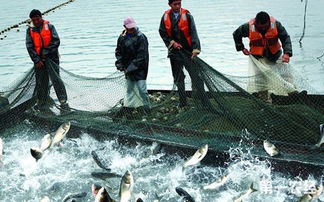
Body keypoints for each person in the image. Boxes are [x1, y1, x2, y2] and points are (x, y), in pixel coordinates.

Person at [159, 0, 210, 108]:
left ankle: (205, 102)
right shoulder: (165, 16)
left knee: (196, 77)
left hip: (188, 51)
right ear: (170, 5)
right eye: (175, 4)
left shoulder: (187, 15)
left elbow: (193, 33)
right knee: (178, 78)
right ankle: (183, 102)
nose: (177, 6)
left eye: (179, 4)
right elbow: (162, 32)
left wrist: (196, 50)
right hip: (174, 53)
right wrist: (172, 43)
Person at [233, 11, 296, 98]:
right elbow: (236, 34)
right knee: (260, 81)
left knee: (285, 74)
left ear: (269, 22)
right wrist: (242, 48)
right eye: (261, 27)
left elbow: (285, 38)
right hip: (257, 57)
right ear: (256, 23)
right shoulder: (248, 27)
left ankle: (292, 95)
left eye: (265, 27)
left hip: (275, 55)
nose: (263, 29)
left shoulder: (276, 25)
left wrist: (287, 53)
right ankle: (264, 99)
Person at [26, 9, 68, 110]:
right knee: (41, 81)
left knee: (56, 79)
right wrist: (36, 60)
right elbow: (29, 47)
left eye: (38, 19)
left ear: (41, 17)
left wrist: (45, 53)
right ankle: (42, 100)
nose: (36, 22)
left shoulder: (49, 27)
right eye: (34, 20)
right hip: (39, 61)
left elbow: (56, 41)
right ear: (31, 20)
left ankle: (63, 100)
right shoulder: (29, 31)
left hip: (52, 59)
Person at [115, 17, 150, 116]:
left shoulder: (141, 37)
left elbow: (142, 56)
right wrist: (119, 63)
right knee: (129, 90)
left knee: (142, 89)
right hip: (127, 69)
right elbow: (118, 52)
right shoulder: (121, 37)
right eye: (129, 27)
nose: (131, 29)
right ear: (125, 27)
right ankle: (130, 108)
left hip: (140, 69)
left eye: (132, 27)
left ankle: (147, 108)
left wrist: (130, 68)